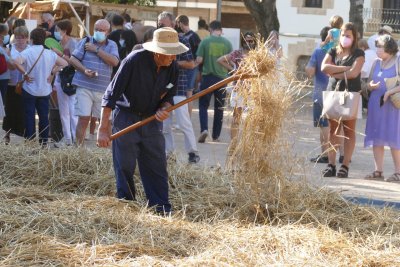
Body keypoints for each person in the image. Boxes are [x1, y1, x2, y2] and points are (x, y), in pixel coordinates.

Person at [97, 27, 188, 214]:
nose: (173, 57)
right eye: (170, 53)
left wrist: (164, 110)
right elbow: (110, 95)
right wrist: (103, 128)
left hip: (152, 120)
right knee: (125, 165)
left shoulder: (173, 68)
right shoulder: (133, 61)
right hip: (127, 117)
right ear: (157, 51)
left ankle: (161, 209)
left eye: (175, 53)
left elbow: (168, 97)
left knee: (156, 164)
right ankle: (127, 207)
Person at [321, 22, 365, 178]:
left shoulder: (359, 53)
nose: (345, 38)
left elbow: (354, 73)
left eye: (348, 35)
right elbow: (324, 67)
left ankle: (345, 165)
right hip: (333, 93)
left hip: (350, 94)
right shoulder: (333, 51)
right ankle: (331, 165)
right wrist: (345, 69)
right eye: (343, 35)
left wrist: (335, 72)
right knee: (333, 130)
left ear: (354, 37)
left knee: (349, 130)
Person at [157, 12, 199, 163]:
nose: (161, 26)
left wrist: (172, 63)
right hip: (161, 90)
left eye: (164, 24)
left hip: (178, 88)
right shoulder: (156, 39)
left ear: (173, 24)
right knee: (165, 125)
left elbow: (191, 63)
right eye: (159, 24)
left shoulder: (182, 40)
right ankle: (170, 154)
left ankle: (193, 152)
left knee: (184, 123)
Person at [13, 28, 67, 145]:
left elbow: (16, 62)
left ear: (31, 39)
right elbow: (65, 63)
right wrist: (53, 71)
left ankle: (30, 142)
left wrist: (25, 73)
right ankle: (43, 143)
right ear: (44, 40)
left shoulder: (28, 52)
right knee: (44, 118)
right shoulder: (50, 53)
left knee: (29, 117)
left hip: (29, 89)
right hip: (45, 90)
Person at [69, 19, 119, 145]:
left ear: (107, 32)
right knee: (83, 118)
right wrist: (84, 70)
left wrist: (96, 50)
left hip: (103, 89)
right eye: (96, 29)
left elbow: (115, 62)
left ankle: (106, 151)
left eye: (102, 30)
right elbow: (73, 59)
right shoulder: (85, 41)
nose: (98, 32)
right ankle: (78, 152)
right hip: (84, 86)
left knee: (105, 120)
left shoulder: (112, 45)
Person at [364, 35, 400, 183]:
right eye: (377, 46)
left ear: (390, 48)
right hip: (376, 105)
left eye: (380, 47)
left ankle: (398, 172)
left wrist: (389, 92)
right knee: (376, 137)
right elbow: (368, 83)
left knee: (394, 138)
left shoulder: (398, 61)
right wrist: (369, 86)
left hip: (392, 107)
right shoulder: (376, 63)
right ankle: (378, 170)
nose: (377, 49)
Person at [217, 32, 255, 149]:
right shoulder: (237, 53)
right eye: (246, 40)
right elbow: (220, 60)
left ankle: (247, 143)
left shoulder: (257, 55)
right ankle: (233, 143)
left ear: (254, 42)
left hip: (253, 89)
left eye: (251, 41)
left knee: (251, 117)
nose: (248, 43)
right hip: (238, 88)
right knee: (236, 116)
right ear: (243, 41)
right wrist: (233, 70)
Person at [196, 20, 232, 143]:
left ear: (210, 29)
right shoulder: (227, 43)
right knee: (219, 108)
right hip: (222, 78)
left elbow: (199, 59)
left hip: (207, 78)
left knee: (203, 105)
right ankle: (216, 135)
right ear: (220, 30)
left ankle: (204, 130)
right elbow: (230, 61)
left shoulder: (205, 41)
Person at [306, 27, 331, 164]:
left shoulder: (318, 51)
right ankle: (342, 155)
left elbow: (310, 71)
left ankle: (325, 154)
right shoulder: (340, 52)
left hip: (321, 93)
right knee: (339, 125)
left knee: (324, 125)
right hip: (338, 92)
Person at [51, 19, 78, 146]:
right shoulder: (57, 43)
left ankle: (76, 138)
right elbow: (55, 61)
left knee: (73, 110)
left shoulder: (74, 43)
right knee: (63, 111)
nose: (56, 32)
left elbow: (75, 62)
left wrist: (60, 54)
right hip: (59, 79)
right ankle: (67, 138)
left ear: (64, 30)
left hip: (72, 79)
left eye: (57, 30)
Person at [2, 26, 29, 144]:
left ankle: (24, 135)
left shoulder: (30, 49)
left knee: (23, 110)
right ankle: (7, 135)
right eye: (17, 37)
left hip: (25, 84)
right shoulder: (9, 48)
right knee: (9, 110)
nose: (20, 40)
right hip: (11, 83)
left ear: (26, 38)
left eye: (22, 37)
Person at [176, 15, 202, 115]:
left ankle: (188, 118)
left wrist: (195, 64)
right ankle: (185, 118)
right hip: (185, 68)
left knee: (188, 94)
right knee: (184, 94)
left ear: (180, 23)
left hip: (190, 69)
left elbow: (200, 52)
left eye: (177, 23)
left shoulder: (193, 36)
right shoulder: (185, 35)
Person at [358, 38, 377, 110]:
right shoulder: (373, 52)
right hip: (373, 76)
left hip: (364, 77)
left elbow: (363, 69)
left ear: (362, 47)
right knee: (370, 94)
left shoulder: (364, 54)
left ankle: (362, 108)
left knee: (363, 93)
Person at [0, 23, 11, 103]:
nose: (8, 35)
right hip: (3, 77)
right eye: (7, 33)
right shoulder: (3, 49)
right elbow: (10, 62)